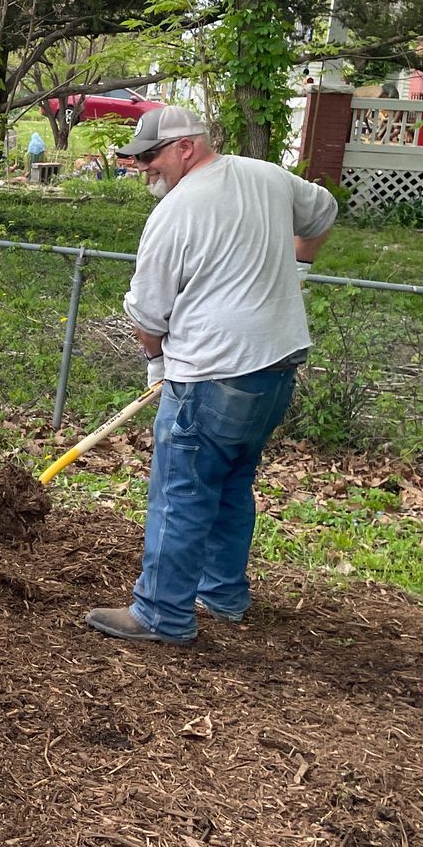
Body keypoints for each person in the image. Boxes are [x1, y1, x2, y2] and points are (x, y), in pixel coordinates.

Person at [85, 106, 337, 646]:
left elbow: (148, 314)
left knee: (182, 492)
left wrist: (156, 362)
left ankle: (161, 613)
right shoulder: (268, 176)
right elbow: (323, 212)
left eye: (151, 157)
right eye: (137, 159)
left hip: (213, 374)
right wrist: (299, 269)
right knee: (230, 482)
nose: (144, 168)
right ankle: (221, 593)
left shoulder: (177, 211)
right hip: (275, 369)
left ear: (185, 148)